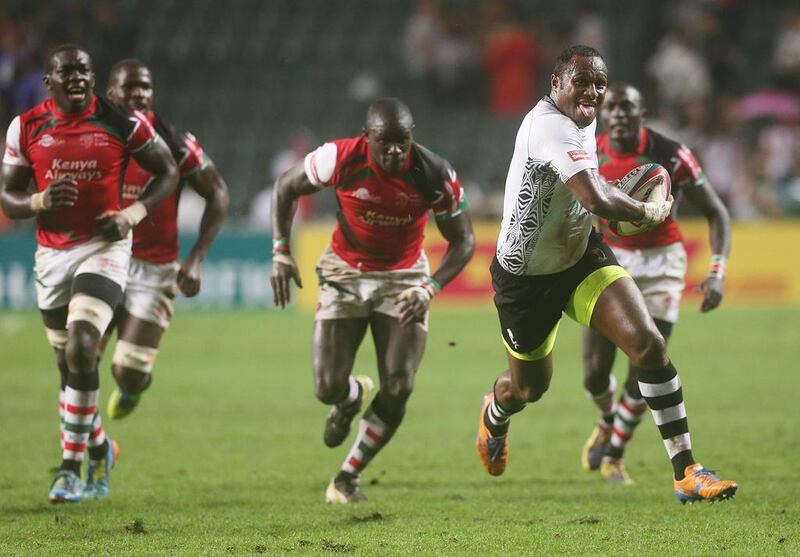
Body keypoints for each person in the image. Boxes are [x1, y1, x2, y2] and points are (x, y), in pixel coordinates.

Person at [475, 45, 737, 504]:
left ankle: (687, 471)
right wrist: (646, 209)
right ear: (555, 84)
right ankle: (494, 414)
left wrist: (621, 200)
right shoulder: (549, 128)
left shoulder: (584, 115)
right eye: (582, 81)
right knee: (528, 388)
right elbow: (596, 200)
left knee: (648, 344)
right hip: (526, 278)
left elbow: (588, 196)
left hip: (579, 257)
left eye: (599, 82)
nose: (592, 92)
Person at [271, 97, 475, 504]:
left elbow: (464, 241)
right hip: (345, 272)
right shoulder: (340, 157)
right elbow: (286, 186)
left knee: (399, 384)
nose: (396, 151)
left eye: (403, 141)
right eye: (386, 142)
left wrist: (428, 287)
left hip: (404, 279)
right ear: (368, 138)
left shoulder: (435, 173)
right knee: (326, 387)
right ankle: (348, 397)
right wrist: (280, 250)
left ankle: (347, 477)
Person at [0, 45, 178, 502]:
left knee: (83, 345)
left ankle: (68, 469)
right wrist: (39, 202)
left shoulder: (121, 120)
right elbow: (9, 196)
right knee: (70, 368)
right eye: (67, 71)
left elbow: (168, 172)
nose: (78, 77)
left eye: (85, 69)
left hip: (105, 247)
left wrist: (133, 214)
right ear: (49, 81)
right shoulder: (26, 127)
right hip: (52, 256)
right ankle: (101, 448)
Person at [580, 83, 731, 485]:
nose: (619, 115)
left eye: (627, 107)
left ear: (642, 111)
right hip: (610, 260)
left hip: (663, 263)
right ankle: (606, 419)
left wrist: (717, 271)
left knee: (646, 363)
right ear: (601, 112)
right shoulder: (589, 153)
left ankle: (614, 454)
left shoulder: (671, 154)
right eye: (611, 107)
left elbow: (716, 213)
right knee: (594, 373)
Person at [102, 59, 229, 419]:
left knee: (129, 373)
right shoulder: (94, 136)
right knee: (79, 359)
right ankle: (85, 444)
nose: (138, 93)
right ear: (111, 91)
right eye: (129, 86)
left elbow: (218, 193)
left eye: (145, 87)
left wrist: (196, 258)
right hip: (102, 259)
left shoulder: (174, 143)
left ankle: (130, 388)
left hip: (154, 271)